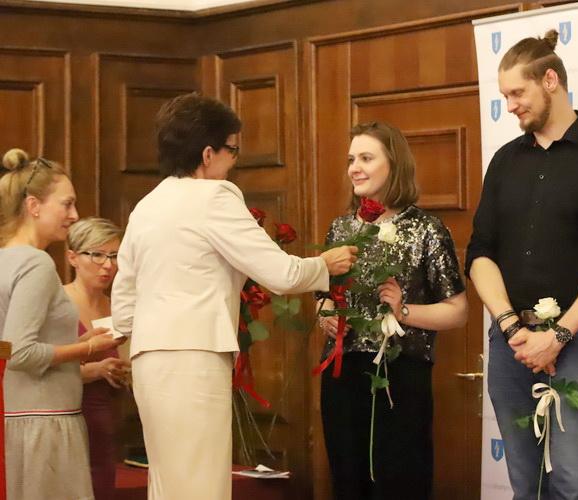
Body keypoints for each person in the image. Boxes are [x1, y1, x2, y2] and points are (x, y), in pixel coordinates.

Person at [111, 93, 357, 500]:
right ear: (208, 154)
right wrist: (324, 265)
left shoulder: (146, 205)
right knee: (201, 483)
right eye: (232, 150)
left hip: (148, 358)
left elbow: (123, 302)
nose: (233, 161)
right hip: (195, 354)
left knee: (168, 482)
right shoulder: (214, 196)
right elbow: (280, 273)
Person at [466, 30, 578, 499]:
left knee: (573, 481)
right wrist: (508, 324)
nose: (510, 106)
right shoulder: (504, 161)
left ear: (550, 81)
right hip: (511, 343)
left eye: (516, 93)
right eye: (504, 96)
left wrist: (558, 335)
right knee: (525, 483)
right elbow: (480, 253)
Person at [318, 121, 468, 500]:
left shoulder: (427, 229)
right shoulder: (340, 228)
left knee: (400, 483)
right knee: (347, 481)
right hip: (342, 374)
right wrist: (325, 313)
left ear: (394, 164)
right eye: (351, 159)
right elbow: (324, 296)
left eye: (366, 158)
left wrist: (403, 313)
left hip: (400, 376)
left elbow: (457, 311)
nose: (355, 168)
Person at [0, 149, 122, 500]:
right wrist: (90, 347)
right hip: (46, 420)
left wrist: (81, 346)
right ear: (34, 206)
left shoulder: (6, 259)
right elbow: (19, 353)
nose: (75, 215)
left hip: (21, 415)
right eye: (67, 204)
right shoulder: (35, 264)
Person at [64, 217, 131, 500]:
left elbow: (124, 361)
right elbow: (37, 365)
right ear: (73, 257)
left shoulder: (118, 307)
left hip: (107, 420)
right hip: (67, 417)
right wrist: (96, 370)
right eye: (97, 255)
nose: (108, 265)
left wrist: (124, 372)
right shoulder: (58, 303)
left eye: (114, 256)